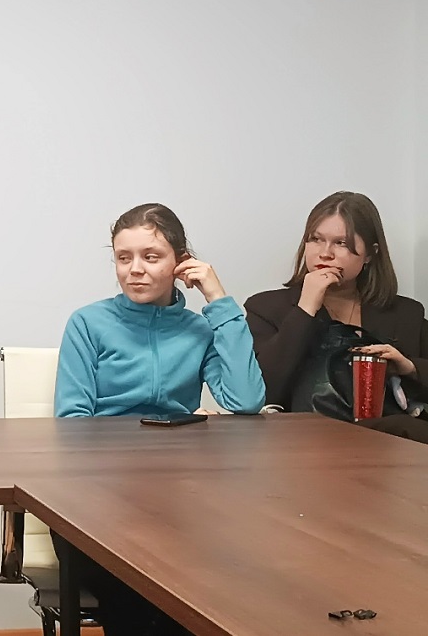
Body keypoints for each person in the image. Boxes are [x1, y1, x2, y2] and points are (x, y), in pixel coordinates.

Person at [52, 203, 264, 636]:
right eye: (123, 257)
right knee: (140, 584)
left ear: (180, 262)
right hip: (99, 497)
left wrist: (219, 300)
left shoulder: (198, 329)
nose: (135, 270)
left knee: (218, 570)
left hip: (177, 492)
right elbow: (73, 423)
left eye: (151, 257)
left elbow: (245, 400)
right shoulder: (88, 323)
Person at [245, 191, 428, 441]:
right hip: (302, 445)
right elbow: (260, 392)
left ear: (370, 253)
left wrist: (410, 368)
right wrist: (305, 308)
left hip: (391, 446)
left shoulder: (406, 314)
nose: (325, 253)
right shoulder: (266, 308)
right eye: (316, 239)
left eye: (341, 243)